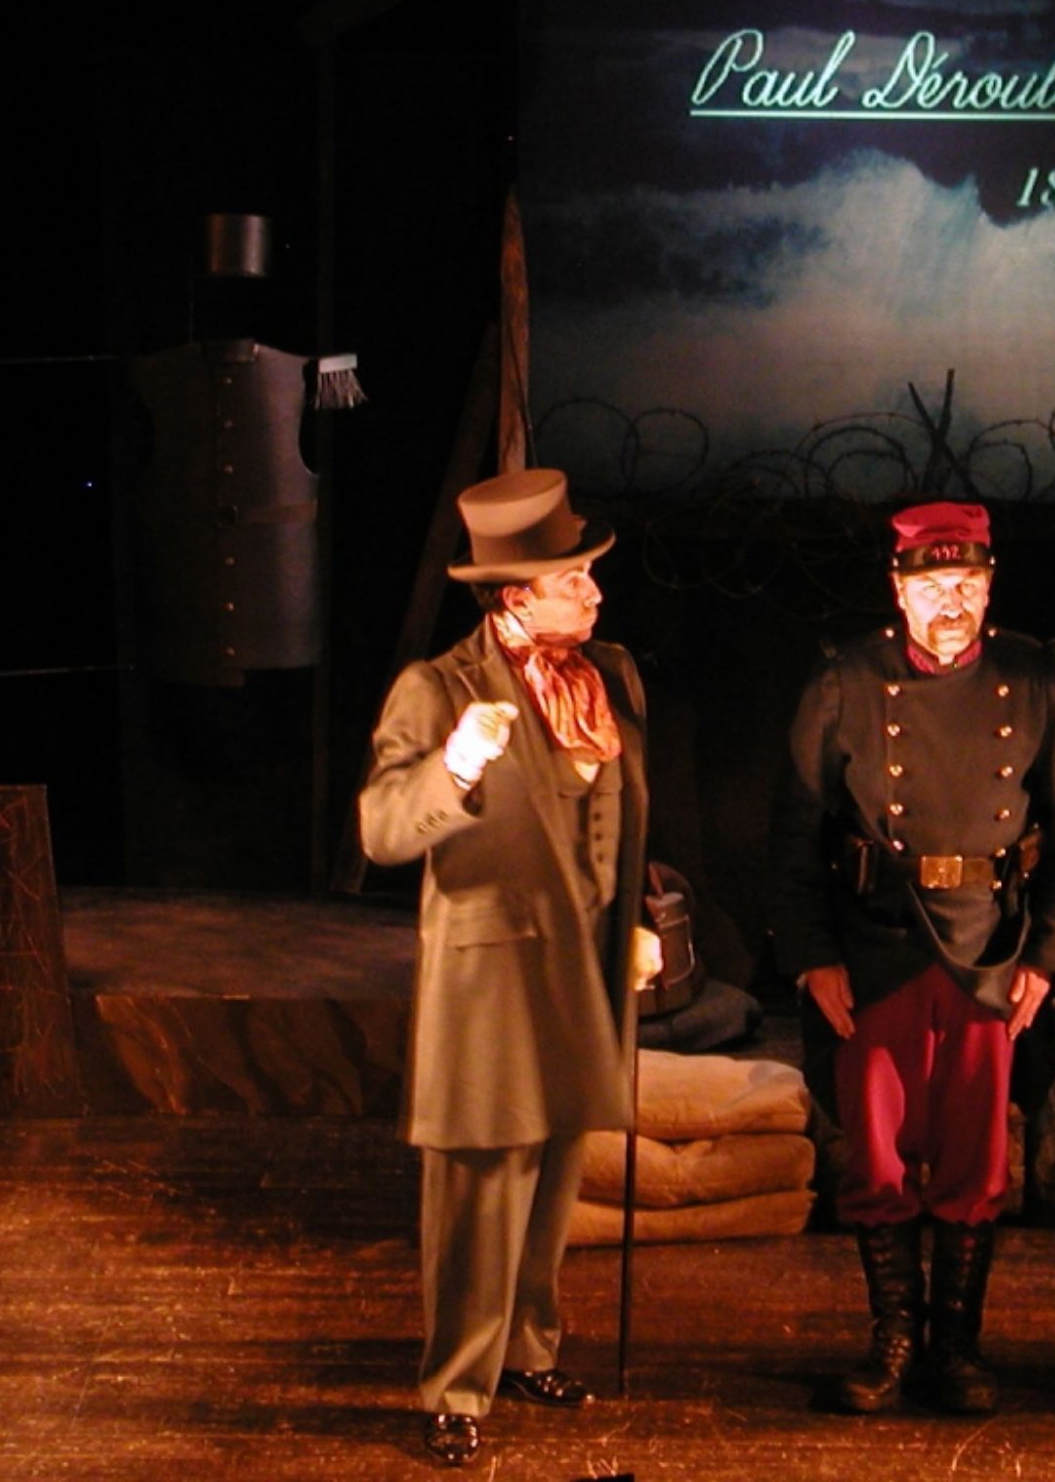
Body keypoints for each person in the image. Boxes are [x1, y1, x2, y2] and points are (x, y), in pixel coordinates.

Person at [360, 469, 659, 1468]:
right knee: (482, 1187)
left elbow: (620, 817)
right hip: (490, 976)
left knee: (558, 1169)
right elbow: (381, 829)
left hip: (586, 962)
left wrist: (636, 919)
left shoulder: (610, 674)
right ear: (516, 595)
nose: (595, 592)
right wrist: (452, 766)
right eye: (576, 578)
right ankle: (457, 1383)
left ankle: (529, 1347)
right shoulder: (438, 688)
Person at [773, 501, 1055, 1416]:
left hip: (989, 947)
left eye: (968, 584)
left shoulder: (1032, 675)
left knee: (977, 1164)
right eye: (934, 585)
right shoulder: (846, 679)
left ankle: (956, 1348)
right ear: (898, 591)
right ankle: (894, 1343)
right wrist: (813, 955)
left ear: (990, 587)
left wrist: (1048, 957)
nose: (952, 603)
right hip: (877, 945)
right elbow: (794, 832)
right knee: (874, 1160)